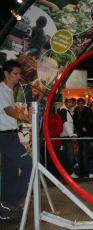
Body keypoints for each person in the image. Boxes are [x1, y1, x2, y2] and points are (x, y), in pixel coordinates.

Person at [0, 60, 32, 210]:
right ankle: (11, 202)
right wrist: (26, 117)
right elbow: (8, 111)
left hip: (10, 135)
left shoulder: (9, 91)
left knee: (9, 173)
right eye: (15, 74)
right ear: (6, 74)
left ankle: (5, 205)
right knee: (29, 165)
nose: (18, 77)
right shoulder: (1, 89)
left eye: (20, 74)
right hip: (5, 137)